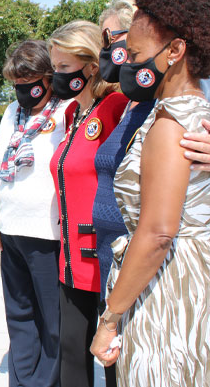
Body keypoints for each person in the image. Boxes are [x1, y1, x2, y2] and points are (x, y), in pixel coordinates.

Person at [89, 0, 210, 386]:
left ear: (176, 51)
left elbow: (159, 233)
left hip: (171, 289)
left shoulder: (169, 124)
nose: (128, 65)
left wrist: (110, 319)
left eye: (139, 56)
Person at [94, 0, 210, 298]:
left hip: (178, 279)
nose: (115, 53)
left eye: (115, 39)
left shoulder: (205, 86)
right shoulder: (137, 97)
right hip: (126, 270)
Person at [47, 20, 128, 387]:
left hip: (108, 257)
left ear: (91, 65)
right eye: (55, 67)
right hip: (72, 257)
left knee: (114, 362)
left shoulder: (115, 107)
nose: (56, 77)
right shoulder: (69, 114)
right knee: (71, 357)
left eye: (64, 67)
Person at [0, 40, 70, 387]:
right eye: (17, 84)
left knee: (52, 319)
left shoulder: (66, 111)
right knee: (19, 313)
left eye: (30, 82)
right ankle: (21, 378)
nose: (23, 90)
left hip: (47, 233)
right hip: (11, 229)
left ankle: (44, 381)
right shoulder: (11, 113)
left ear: (49, 78)